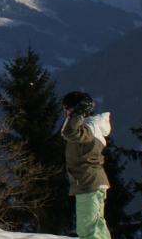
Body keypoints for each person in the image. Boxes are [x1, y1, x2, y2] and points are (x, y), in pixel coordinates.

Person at [61, 91, 112, 239]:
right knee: (97, 227)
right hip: (91, 183)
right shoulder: (91, 126)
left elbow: (69, 132)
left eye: (68, 109)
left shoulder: (89, 129)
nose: (67, 114)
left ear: (79, 109)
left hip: (88, 183)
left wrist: (78, 114)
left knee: (88, 230)